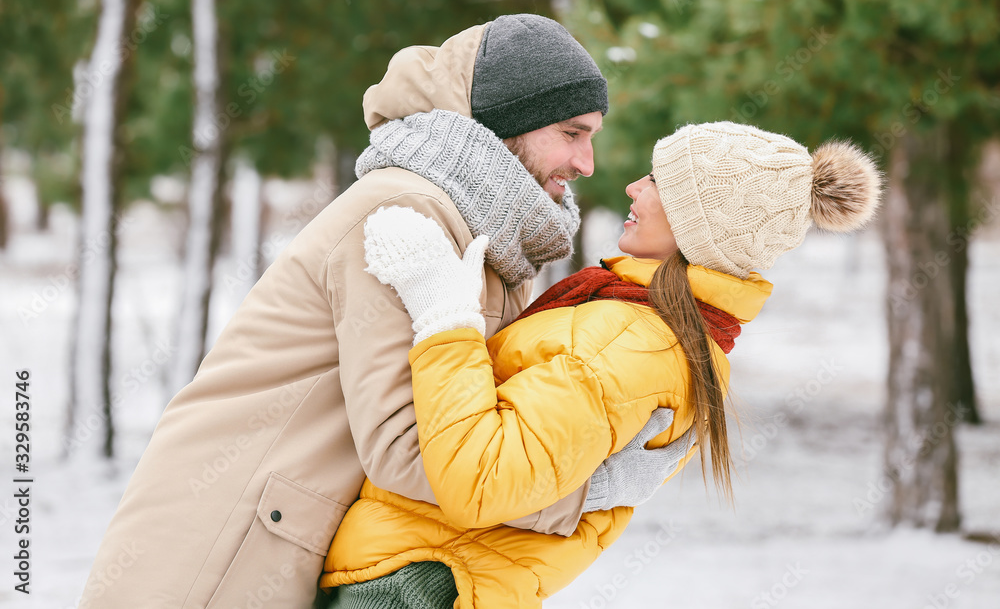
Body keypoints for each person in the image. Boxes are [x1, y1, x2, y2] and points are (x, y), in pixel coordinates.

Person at [78, 14, 683, 608]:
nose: (587, 165)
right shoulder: (406, 217)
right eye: (571, 133)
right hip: (220, 547)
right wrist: (588, 493)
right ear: (507, 123)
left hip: (280, 532)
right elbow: (411, 451)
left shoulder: (485, 232)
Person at [318, 122, 882, 608]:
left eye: (659, 181)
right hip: (442, 570)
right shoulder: (661, 325)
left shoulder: (631, 341)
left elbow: (482, 479)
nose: (634, 188)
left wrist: (446, 316)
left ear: (698, 224)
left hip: (423, 578)